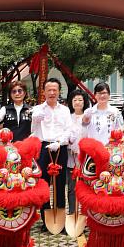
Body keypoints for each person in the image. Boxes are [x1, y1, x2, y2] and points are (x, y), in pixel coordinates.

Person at [31, 78, 73, 221]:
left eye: (55, 90)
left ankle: (60, 218)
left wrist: (60, 142)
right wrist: (35, 119)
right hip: (44, 147)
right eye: (49, 90)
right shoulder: (37, 110)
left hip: (60, 147)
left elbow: (68, 130)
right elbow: (33, 131)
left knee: (60, 182)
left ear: (59, 91)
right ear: (43, 92)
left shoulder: (65, 110)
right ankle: (46, 219)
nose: (52, 93)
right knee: (43, 183)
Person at [67, 89, 89, 213]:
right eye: (74, 100)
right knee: (71, 187)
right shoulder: (68, 117)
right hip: (71, 157)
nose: (77, 102)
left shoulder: (88, 117)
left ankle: (85, 213)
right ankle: (72, 212)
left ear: (84, 101)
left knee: (86, 186)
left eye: (80, 100)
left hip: (85, 157)